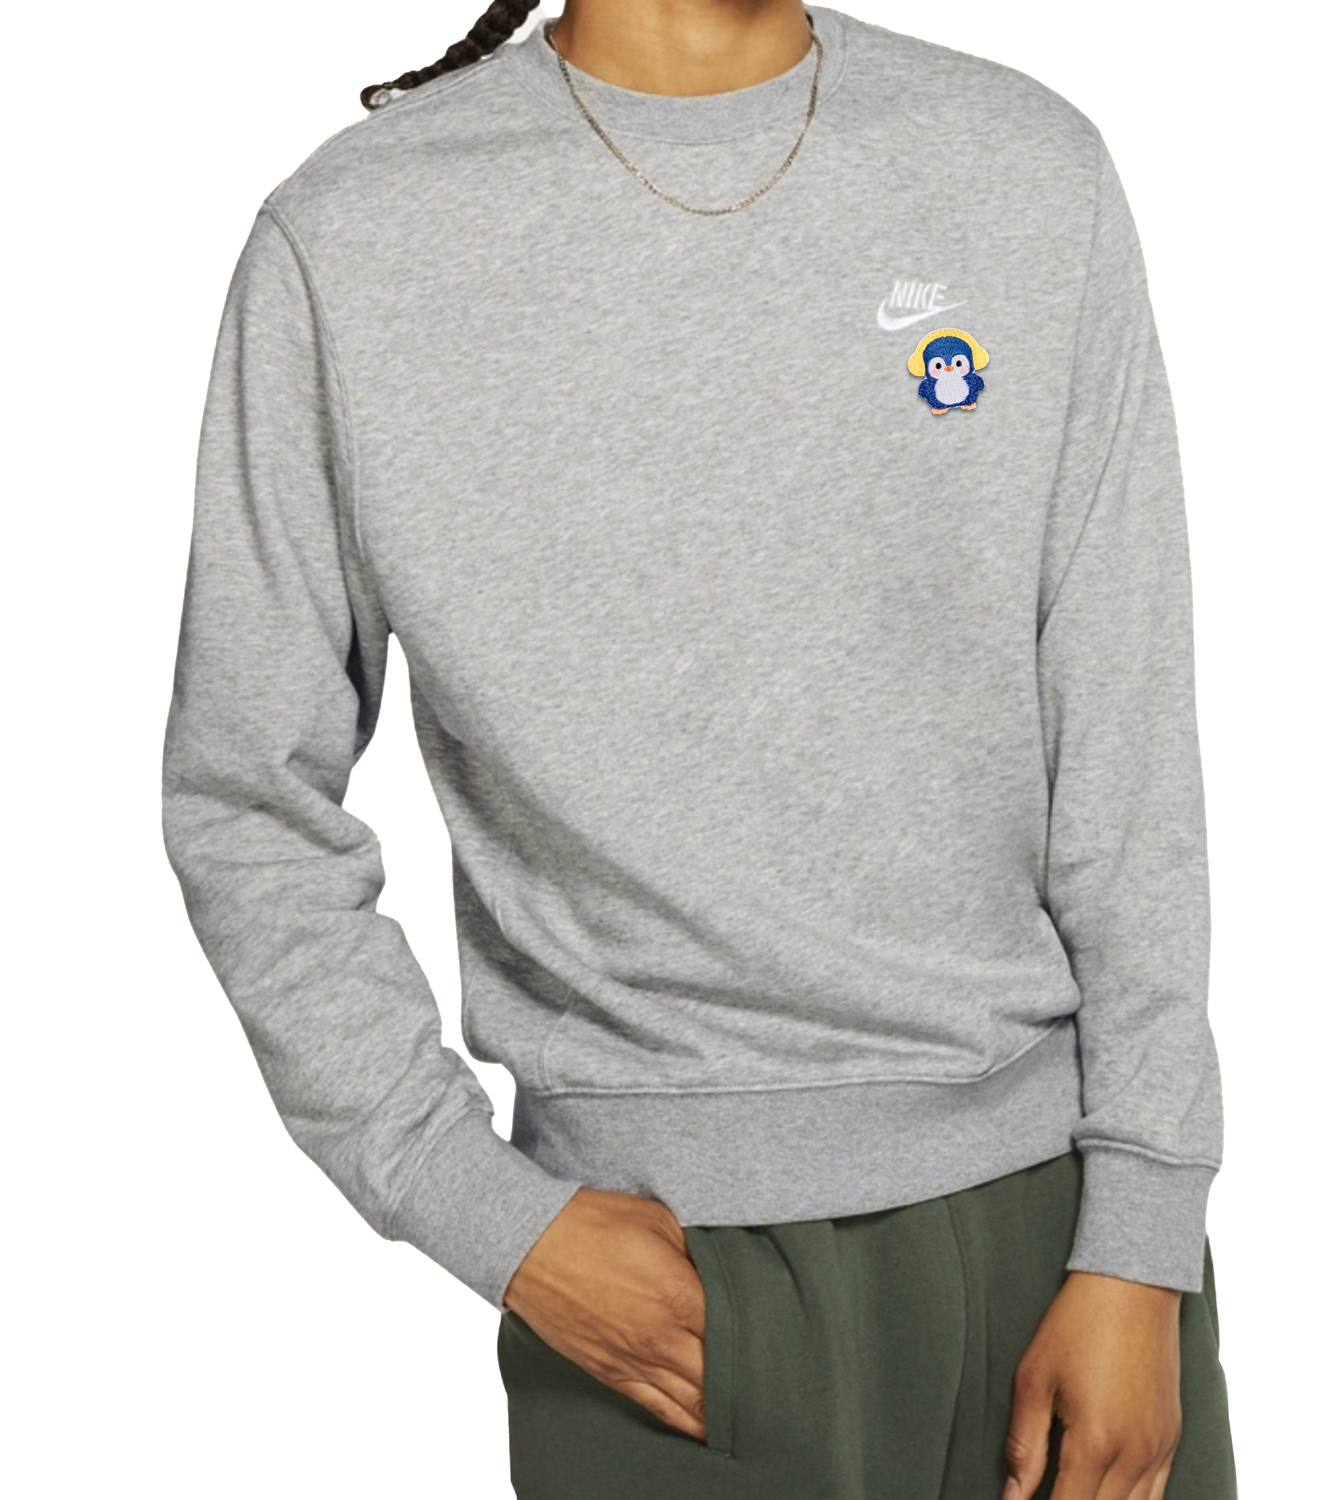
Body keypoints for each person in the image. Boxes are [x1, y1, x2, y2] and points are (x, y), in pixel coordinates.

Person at [161, 2, 1237, 1496]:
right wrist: (481, 1209)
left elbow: (1128, 740)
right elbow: (244, 799)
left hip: (1058, 1245)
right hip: (660, 1290)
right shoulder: (357, 234)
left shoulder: (1022, 166)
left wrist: (1142, 1229)